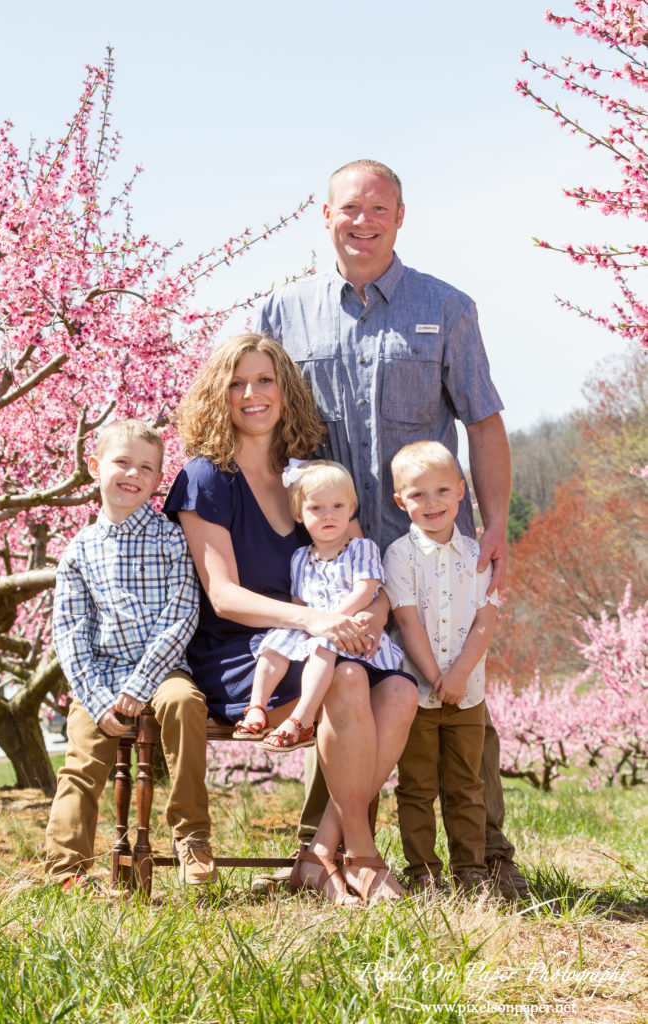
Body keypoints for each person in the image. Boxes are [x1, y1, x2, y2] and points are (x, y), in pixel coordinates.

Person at [256, 158, 528, 899]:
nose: (363, 221)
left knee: (452, 691)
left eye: (379, 209)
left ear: (399, 218)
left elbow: (482, 418)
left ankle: (483, 858)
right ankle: (337, 857)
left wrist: (496, 523)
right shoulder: (283, 313)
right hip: (330, 554)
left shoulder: (446, 306)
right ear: (326, 214)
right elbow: (258, 424)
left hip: (428, 545)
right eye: (350, 208)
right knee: (342, 686)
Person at [163, 334, 418, 904]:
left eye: (265, 381)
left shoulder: (310, 476)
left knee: (401, 692)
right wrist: (315, 622)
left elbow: (363, 568)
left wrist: (373, 615)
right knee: (350, 680)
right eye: (236, 383)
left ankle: (319, 854)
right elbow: (225, 596)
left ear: (285, 391)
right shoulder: (205, 477)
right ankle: (364, 856)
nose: (251, 395)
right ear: (216, 395)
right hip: (247, 655)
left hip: (329, 640)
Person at [46, 419, 214, 889]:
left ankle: (191, 835)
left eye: (146, 467)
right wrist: (100, 700)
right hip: (101, 678)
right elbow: (70, 633)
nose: (132, 474)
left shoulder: (170, 538)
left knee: (185, 704)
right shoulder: (78, 550)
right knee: (81, 761)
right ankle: (66, 870)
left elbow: (181, 615)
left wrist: (140, 687)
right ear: (95, 466)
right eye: (121, 462)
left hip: (163, 671)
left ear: (159, 479)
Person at [232, 459, 412, 752]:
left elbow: (366, 590)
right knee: (274, 643)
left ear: (351, 509)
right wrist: (305, 623)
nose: (328, 515)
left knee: (322, 646)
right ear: (299, 514)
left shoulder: (361, 548)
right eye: (317, 508)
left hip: (349, 627)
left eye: (338, 507)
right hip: (313, 626)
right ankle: (256, 708)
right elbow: (299, 602)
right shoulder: (300, 557)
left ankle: (300, 721)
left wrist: (331, 621)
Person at [383, 441, 499, 893]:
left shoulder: (478, 555)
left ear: (461, 493)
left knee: (467, 784)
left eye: (441, 491)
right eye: (418, 495)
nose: (431, 503)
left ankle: (469, 868)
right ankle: (422, 871)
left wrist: (458, 676)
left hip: (468, 693)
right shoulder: (399, 556)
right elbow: (408, 622)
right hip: (418, 693)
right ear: (400, 502)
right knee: (416, 785)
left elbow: (485, 623)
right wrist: (435, 678)